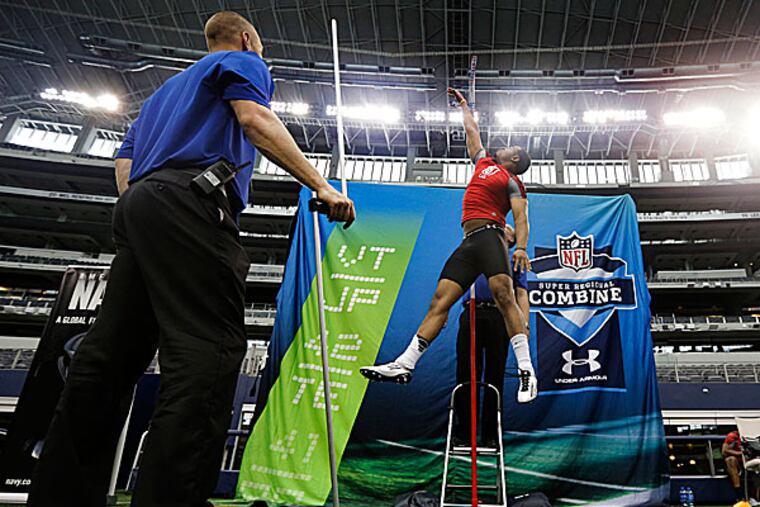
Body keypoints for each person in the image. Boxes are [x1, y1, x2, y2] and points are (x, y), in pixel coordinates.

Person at [27, 11, 354, 507]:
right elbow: (255, 119)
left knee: (107, 359)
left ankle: (60, 495)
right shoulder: (242, 62)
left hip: (139, 206)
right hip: (194, 202)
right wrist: (323, 186)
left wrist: (146, 210)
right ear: (247, 39)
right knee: (209, 351)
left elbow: (124, 159)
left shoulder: (164, 93)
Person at [360, 87, 537, 403]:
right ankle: (405, 363)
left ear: (514, 159)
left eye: (512, 147)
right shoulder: (482, 163)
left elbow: (521, 218)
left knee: (503, 296)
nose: (505, 145)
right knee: (439, 302)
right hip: (469, 242)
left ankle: (526, 370)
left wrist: (520, 247)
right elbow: (472, 131)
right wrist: (465, 107)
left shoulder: (513, 181)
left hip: (491, 236)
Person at [453, 224, 530, 449]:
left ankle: (490, 435)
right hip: (472, 313)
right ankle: (464, 433)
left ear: (511, 239)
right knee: (466, 374)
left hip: (501, 316)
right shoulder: (474, 254)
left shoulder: (515, 261)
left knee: (494, 375)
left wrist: (523, 325)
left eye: (507, 228)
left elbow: (522, 295)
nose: (502, 228)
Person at [724, 429, 746, 502]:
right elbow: (725, 450)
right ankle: (739, 495)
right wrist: (741, 453)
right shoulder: (733, 436)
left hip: (751, 459)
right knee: (730, 460)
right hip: (738, 462)